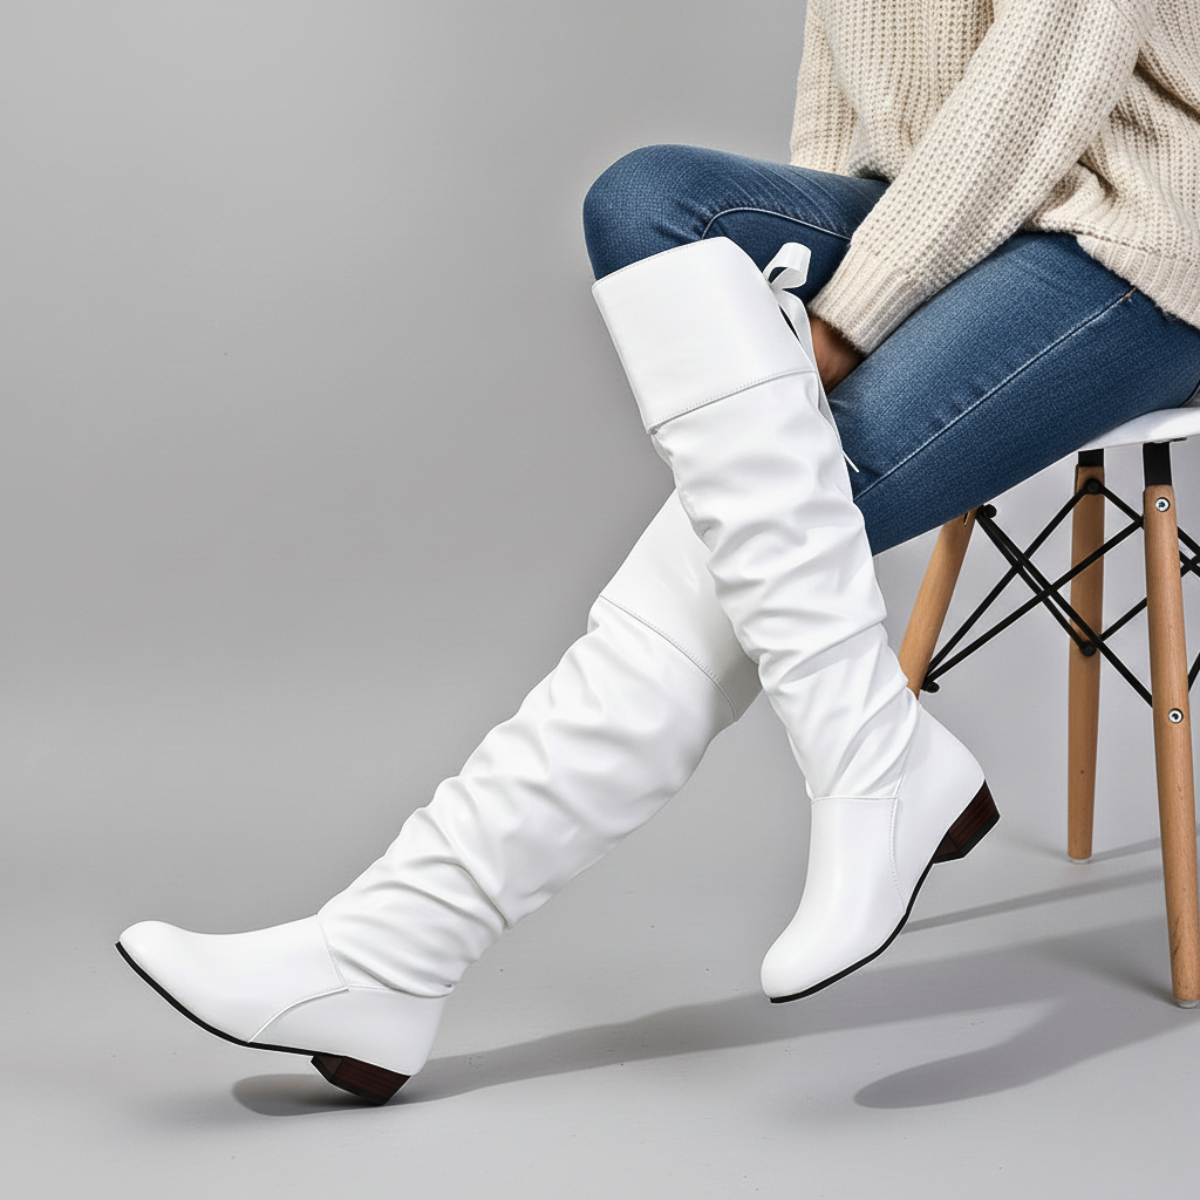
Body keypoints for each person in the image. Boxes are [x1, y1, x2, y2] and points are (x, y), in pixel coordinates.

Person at [118, 0, 1200, 1105]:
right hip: (957, 215)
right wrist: (775, 356)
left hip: (1143, 229)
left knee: (764, 503)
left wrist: (844, 322)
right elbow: (849, 92)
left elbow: (1036, 92)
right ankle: (872, 756)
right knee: (648, 206)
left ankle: (394, 945)